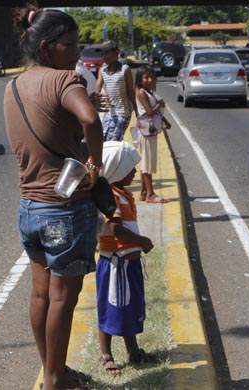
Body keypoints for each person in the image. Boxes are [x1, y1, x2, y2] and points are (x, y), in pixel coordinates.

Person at [3, 5, 103, 390]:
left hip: (30, 208)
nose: (78, 52)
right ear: (47, 48)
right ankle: (56, 380)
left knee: (41, 295)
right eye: (71, 44)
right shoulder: (65, 81)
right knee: (64, 298)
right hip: (64, 209)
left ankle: (52, 372)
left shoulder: (13, 86)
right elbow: (90, 120)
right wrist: (94, 164)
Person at [95, 140, 159, 375]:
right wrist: (142, 242)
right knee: (111, 307)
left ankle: (133, 351)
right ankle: (105, 354)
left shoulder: (122, 193)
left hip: (126, 264)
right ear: (118, 169)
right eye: (131, 168)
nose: (134, 172)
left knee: (128, 307)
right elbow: (116, 229)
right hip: (116, 264)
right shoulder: (110, 195)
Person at [135, 65, 169, 203]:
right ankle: (150, 194)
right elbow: (149, 112)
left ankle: (143, 192)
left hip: (151, 130)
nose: (149, 80)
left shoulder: (149, 92)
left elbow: (157, 113)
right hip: (146, 131)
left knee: (147, 161)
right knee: (147, 162)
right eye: (146, 77)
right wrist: (159, 104)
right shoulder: (141, 93)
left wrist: (165, 120)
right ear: (140, 79)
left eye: (151, 77)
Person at [96, 40, 138, 142]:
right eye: (102, 54)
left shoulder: (125, 70)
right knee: (102, 139)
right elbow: (97, 89)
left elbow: (131, 91)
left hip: (123, 112)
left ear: (116, 53)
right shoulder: (102, 71)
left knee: (113, 140)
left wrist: (137, 110)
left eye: (107, 53)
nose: (104, 57)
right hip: (110, 112)